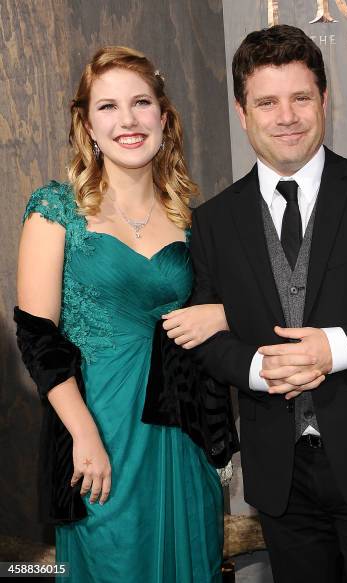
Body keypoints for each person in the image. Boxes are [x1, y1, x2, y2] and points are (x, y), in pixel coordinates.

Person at [162, 24, 347, 583]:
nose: (287, 116)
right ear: (243, 113)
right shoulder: (214, 221)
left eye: (300, 97)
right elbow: (206, 337)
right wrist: (258, 368)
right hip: (281, 482)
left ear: (324, 100)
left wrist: (335, 347)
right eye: (267, 102)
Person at [16, 46, 227, 582]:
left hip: (181, 437)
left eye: (140, 103)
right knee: (112, 559)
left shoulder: (191, 220)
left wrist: (223, 314)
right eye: (108, 107)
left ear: (163, 116)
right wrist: (84, 435)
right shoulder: (55, 210)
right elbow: (38, 337)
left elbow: (243, 304)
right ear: (87, 124)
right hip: (99, 432)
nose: (127, 120)